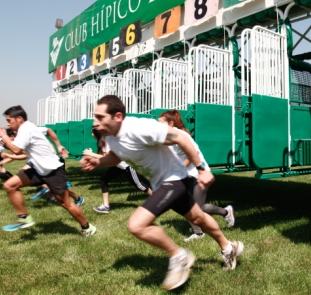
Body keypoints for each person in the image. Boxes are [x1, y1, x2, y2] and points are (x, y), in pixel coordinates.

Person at [80, 95, 243, 290]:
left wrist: (201, 169)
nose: (95, 123)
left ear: (117, 116)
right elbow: (117, 156)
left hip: (174, 180)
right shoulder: (111, 136)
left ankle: (179, 256)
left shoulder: (140, 128)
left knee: (137, 225)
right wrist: (99, 162)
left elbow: (181, 137)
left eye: (100, 117)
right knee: (198, 217)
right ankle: (229, 248)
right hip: (162, 184)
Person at [0, 105, 95, 237]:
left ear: (19, 118)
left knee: (65, 203)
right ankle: (24, 217)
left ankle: (87, 227)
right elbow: (46, 132)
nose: (8, 124)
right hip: (38, 169)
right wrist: (58, 145)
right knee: (9, 185)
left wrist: (4, 136)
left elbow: (17, 150)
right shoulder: (27, 128)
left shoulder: (26, 128)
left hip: (52, 171)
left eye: (9, 120)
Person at [157, 110, 235, 242]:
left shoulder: (179, 134)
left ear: (171, 123)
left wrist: (180, 168)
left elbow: (194, 153)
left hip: (199, 173)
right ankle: (198, 233)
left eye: (161, 124)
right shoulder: (167, 137)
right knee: (185, 204)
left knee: (199, 208)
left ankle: (226, 212)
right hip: (186, 175)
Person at [85, 127, 152, 214]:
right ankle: (106, 206)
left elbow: (106, 157)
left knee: (139, 185)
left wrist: (91, 154)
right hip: (118, 165)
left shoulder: (107, 140)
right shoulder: (102, 141)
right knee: (103, 180)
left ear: (97, 133)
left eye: (92, 132)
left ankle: (156, 201)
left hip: (127, 165)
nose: (91, 134)